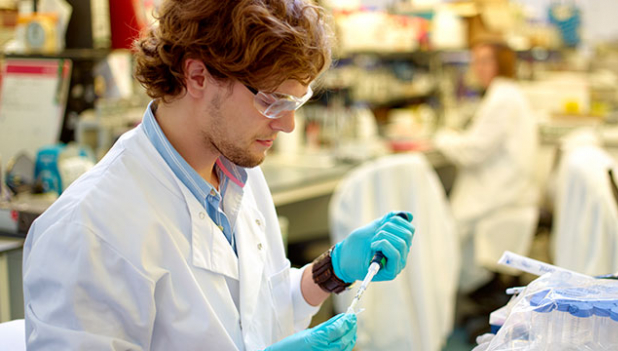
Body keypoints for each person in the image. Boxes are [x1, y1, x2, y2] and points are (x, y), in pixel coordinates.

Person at [22, 0, 415, 350]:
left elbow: (258, 310)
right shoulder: (88, 229)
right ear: (197, 76)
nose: (289, 125)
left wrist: (334, 270)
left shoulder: (235, 171)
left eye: (297, 101)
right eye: (272, 100)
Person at [434, 41, 539, 293]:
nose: (477, 68)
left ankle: (450, 299)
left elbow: (473, 151)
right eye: (475, 61)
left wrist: (442, 138)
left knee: (445, 231)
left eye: (484, 61)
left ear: (500, 63)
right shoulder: (505, 94)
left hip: (501, 191)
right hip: (507, 186)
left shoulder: (502, 97)